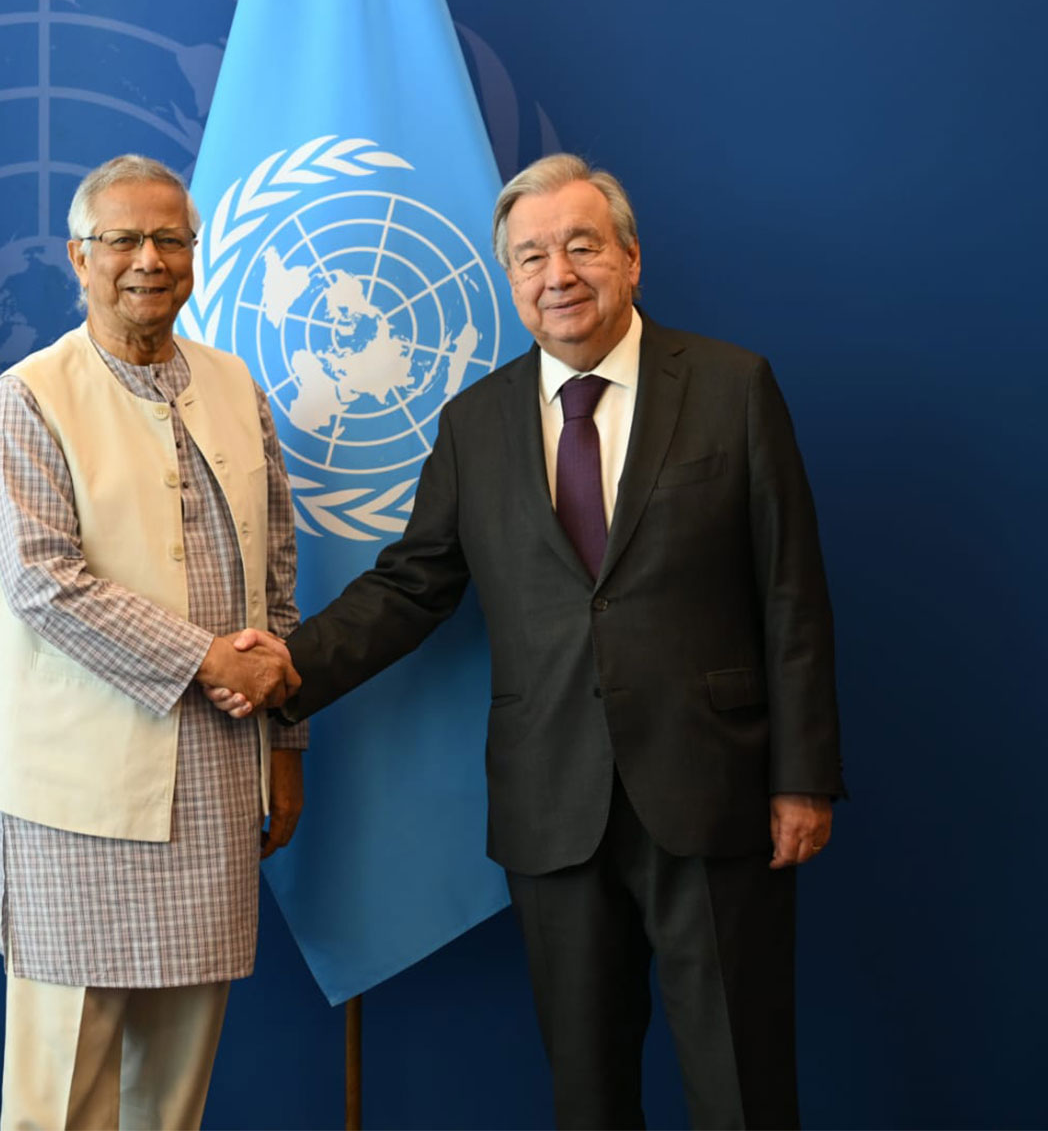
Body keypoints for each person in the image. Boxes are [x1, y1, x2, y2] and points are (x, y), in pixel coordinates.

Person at [216, 154, 843, 1128]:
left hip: (717, 790)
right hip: (553, 802)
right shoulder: (474, 424)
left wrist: (801, 776)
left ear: (630, 259)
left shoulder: (731, 386)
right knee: (586, 1092)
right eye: (530, 256)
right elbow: (412, 585)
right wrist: (289, 670)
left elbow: (790, 594)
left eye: (582, 246)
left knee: (742, 1084)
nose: (559, 274)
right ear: (508, 281)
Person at [0, 154, 306, 1131]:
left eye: (171, 239)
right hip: (77, 797)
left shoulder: (237, 387)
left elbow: (275, 575)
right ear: (79, 256)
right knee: (60, 1098)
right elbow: (42, 582)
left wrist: (285, 749)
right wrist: (207, 661)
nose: (148, 260)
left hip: (215, 783)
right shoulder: (26, 400)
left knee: (174, 1097)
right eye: (122, 239)